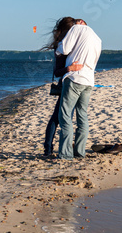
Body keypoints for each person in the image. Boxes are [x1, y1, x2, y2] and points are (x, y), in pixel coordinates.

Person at [57, 20, 101, 160]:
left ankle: (65, 154)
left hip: (75, 78)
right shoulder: (97, 38)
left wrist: (58, 47)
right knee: (82, 116)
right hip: (89, 80)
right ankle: (80, 152)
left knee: (65, 116)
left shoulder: (77, 28)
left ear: (81, 23)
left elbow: (64, 49)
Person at [41, 17, 83, 157]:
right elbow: (57, 72)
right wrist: (70, 68)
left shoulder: (73, 45)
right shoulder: (61, 47)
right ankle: (48, 148)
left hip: (74, 84)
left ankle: (59, 147)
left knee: (64, 117)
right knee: (57, 118)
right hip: (65, 84)